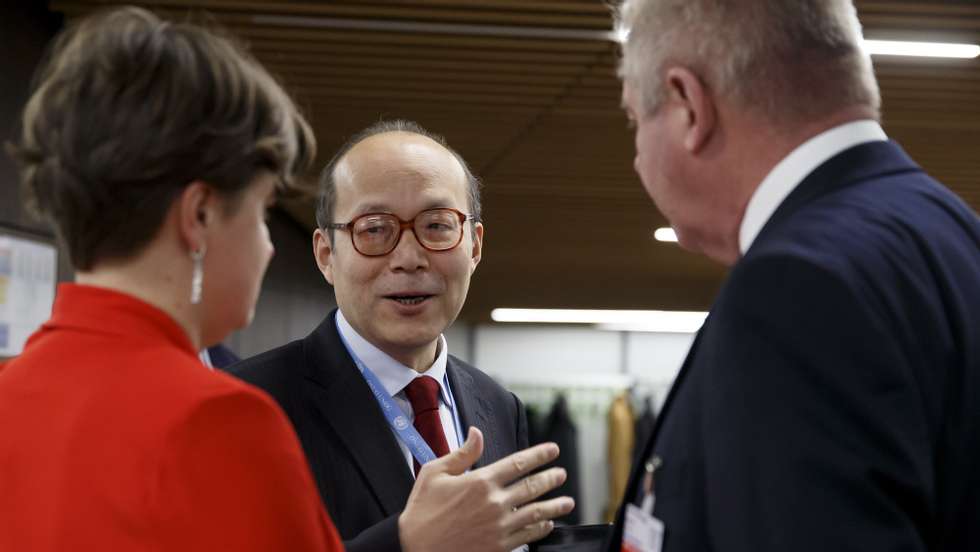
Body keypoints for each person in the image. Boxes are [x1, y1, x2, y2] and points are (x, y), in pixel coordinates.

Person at [610, 1, 980, 551]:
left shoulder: (792, 291)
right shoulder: (955, 234)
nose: (638, 158)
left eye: (637, 120)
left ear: (689, 106)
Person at [0, 7, 345, 550]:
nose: (268, 244)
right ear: (200, 215)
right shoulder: (221, 423)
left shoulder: (9, 401)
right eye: (262, 209)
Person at [230, 120, 575, 552]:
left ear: (475, 247)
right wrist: (405, 545)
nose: (409, 258)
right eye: (374, 229)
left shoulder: (501, 408)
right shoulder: (249, 406)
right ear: (325, 256)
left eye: (437, 225)